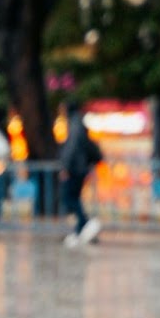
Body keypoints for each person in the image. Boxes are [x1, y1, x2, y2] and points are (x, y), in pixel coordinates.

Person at [58, 102, 102, 247]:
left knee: (69, 198)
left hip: (75, 168)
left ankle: (84, 223)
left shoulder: (74, 125)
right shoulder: (79, 123)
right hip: (80, 167)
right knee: (73, 198)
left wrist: (65, 166)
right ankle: (80, 229)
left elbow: (71, 147)